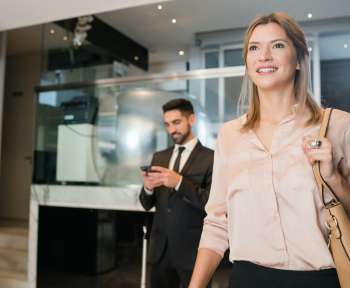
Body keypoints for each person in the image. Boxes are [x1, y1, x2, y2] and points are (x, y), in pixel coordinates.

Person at [189, 12, 350, 288]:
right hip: (246, 279)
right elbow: (217, 223)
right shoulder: (230, 136)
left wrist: (333, 178)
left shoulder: (338, 126)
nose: (263, 55)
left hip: (322, 279)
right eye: (254, 47)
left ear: (299, 59)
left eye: (277, 45)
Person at [139, 98, 214, 288]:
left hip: (194, 251)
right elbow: (147, 204)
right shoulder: (160, 156)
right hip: (161, 251)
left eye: (177, 122)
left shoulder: (211, 158)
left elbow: (210, 203)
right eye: (167, 124)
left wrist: (179, 182)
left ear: (192, 120)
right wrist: (148, 187)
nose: (171, 130)